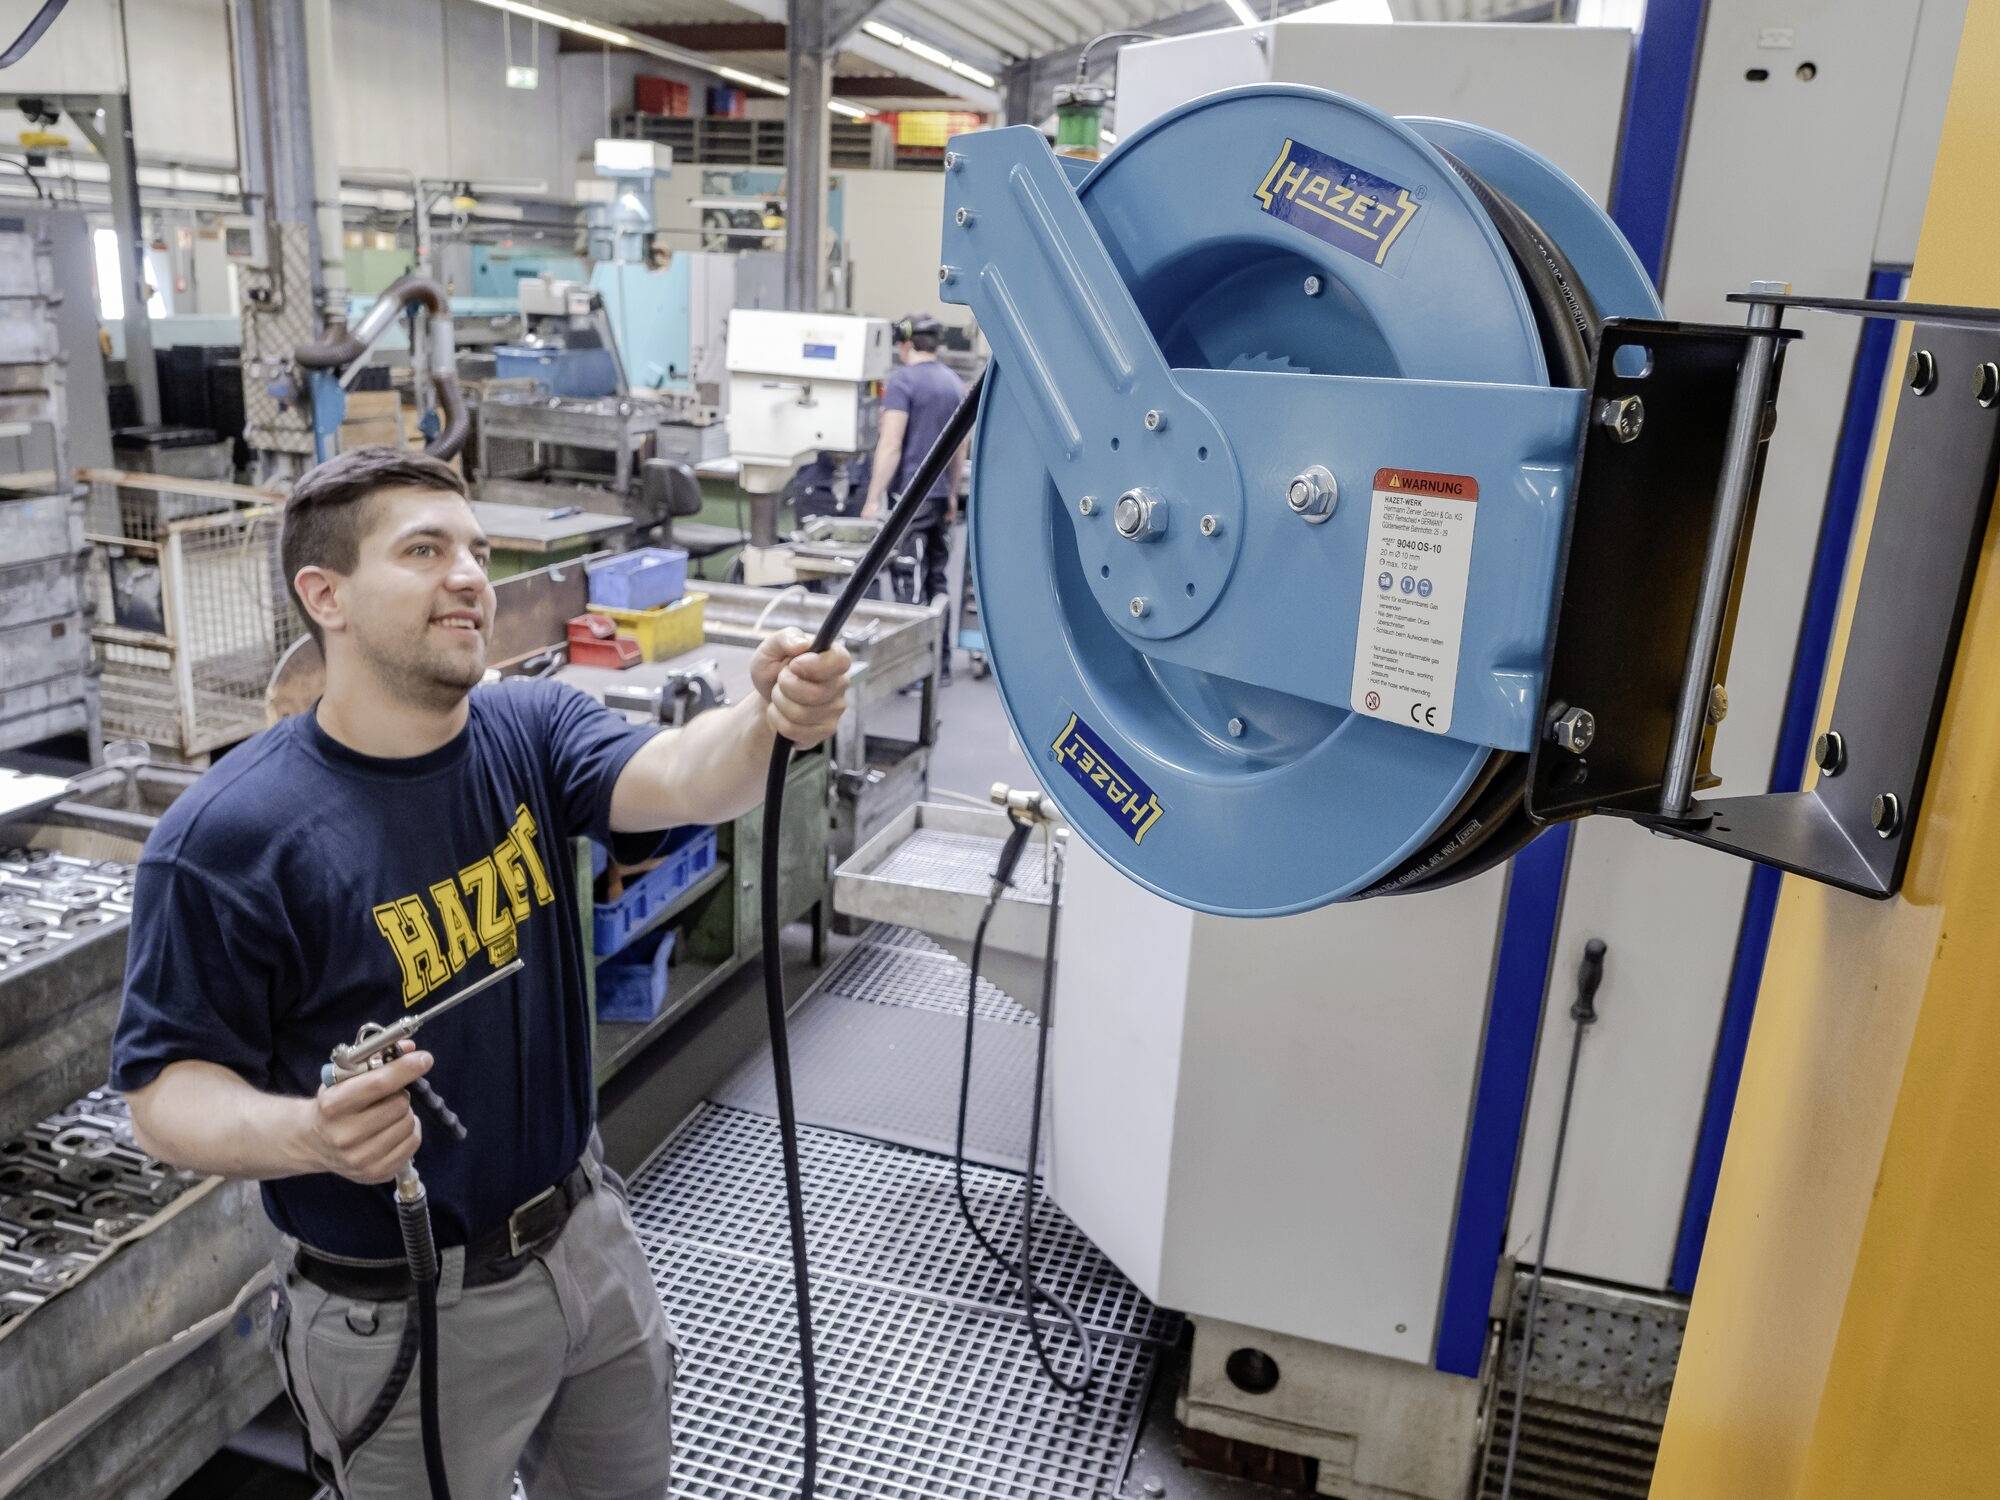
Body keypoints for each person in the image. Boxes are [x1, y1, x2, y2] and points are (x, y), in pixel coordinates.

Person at [107, 447, 851, 1499]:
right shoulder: (228, 838)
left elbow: (682, 776)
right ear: (326, 596)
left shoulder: (528, 728)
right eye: (423, 550)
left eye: (475, 550)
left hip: (584, 1236)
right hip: (399, 1310)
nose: (470, 577)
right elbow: (163, 1096)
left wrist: (765, 718)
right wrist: (308, 1136)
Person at [860, 312, 968, 680]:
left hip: (911, 497)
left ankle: (909, 670)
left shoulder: (903, 380)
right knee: (937, 578)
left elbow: (890, 444)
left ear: (904, 342)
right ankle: (941, 665)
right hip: (939, 497)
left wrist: (873, 498)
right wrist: (952, 494)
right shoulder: (954, 383)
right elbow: (960, 449)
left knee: (908, 578)